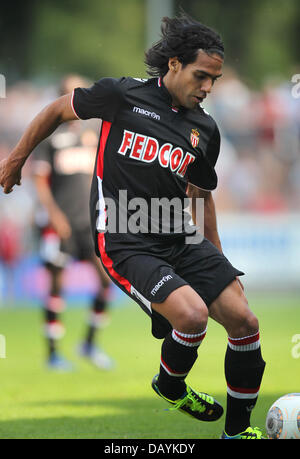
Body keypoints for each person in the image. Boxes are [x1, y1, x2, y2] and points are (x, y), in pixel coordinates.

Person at [0, 13, 266, 438]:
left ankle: (237, 432)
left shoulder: (205, 130)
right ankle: (171, 384)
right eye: (201, 76)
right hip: (124, 239)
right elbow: (55, 110)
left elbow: (200, 194)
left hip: (180, 235)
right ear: (174, 64)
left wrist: (217, 255)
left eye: (214, 80)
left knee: (245, 321)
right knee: (193, 318)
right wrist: (15, 160)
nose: (208, 88)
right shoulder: (120, 96)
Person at [33, 75, 114, 371]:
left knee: (106, 281)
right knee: (57, 285)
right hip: (58, 223)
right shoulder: (49, 135)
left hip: (89, 222)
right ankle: (53, 353)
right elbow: (39, 181)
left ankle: (90, 344)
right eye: (70, 93)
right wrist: (54, 215)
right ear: (61, 98)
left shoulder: (93, 133)